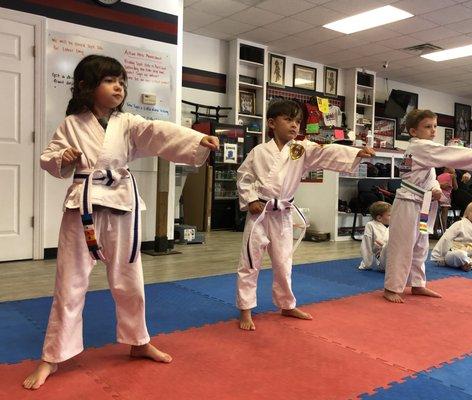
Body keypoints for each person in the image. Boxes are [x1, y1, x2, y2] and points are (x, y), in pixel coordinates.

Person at [23, 55, 219, 390]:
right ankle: (52, 356)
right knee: (69, 283)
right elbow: (49, 157)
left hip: (122, 205)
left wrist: (195, 139)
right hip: (83, 205)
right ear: (86, 86)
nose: (119, 87)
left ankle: (138, 341)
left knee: (130, 278)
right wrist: (62, 158)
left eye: (121, 81)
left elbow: (157, 131)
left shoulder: (127, 123)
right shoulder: (71, 124)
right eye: (110, 80)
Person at [236, 99, 375, 330]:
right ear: (272, 123)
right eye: (288, 120)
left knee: (283, 262)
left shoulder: (300, 150)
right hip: (260, 214)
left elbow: (326, 152)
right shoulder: (258, 151)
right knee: (250, 262)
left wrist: (356, 152)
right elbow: (244, 177)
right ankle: (245, 309)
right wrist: (250, 199)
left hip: (283, 215)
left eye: (298, 122)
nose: (294, 126)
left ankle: (287, 304)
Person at [383, 109, 472, 303]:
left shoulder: (423, 150)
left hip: (423, 204)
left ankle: (417, 284)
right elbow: (450, 153)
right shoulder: (420, 147)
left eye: (435, 127)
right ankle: (391, 287)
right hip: (407, 204)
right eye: (427, 127)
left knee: (420, 245)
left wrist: (435, 187)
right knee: (402, 245)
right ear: (413, 131)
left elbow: (430, 176)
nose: (433, 131)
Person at [431, 201, 472, 271]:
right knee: (461, 254)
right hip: (454, 253)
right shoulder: (459, 224)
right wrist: (438, 257)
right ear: (467, 213)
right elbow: (446, 238)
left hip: (471, 253)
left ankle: (471, 265)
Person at [358, 201, 391, 272]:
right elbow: (366, 246)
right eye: (389, 215)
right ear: (379, 218)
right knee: (388, 245)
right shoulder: (371, 225)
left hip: (397, 258)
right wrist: (366, 264)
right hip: (383, 259)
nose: (393, 217)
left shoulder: (393, 225)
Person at [436, 167, 458, 231]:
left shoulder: (439, 176)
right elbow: (456, 187)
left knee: (437, 214)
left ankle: (434, 231)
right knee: (444, 215)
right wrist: (454, 177)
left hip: (438, 195)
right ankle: (444, 230)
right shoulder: (452, 176)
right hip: (446, 197)